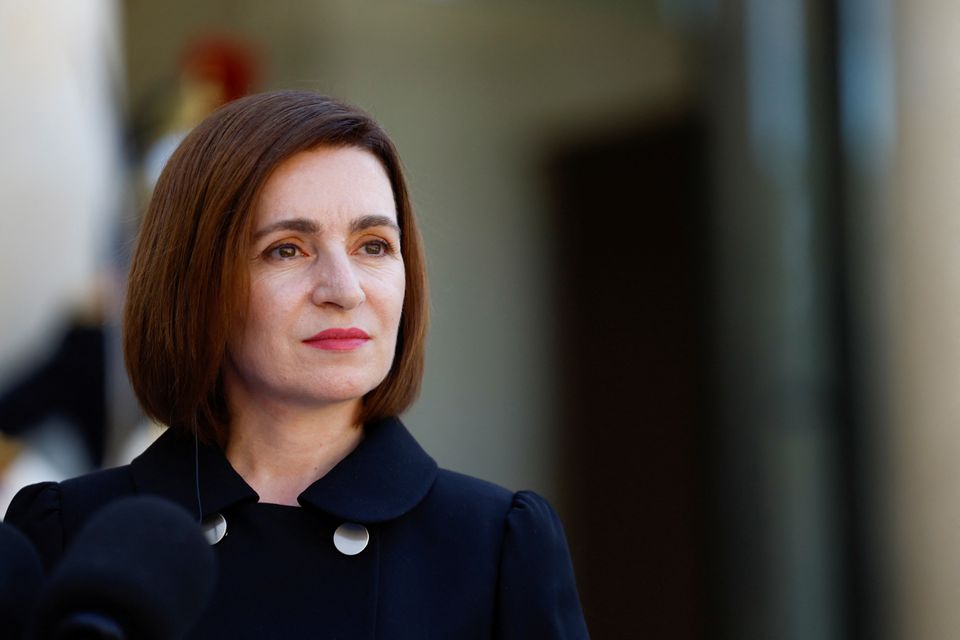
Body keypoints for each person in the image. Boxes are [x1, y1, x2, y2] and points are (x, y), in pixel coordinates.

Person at [4, 91, 589, 638]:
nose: (344, 289)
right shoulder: (64, 533)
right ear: (195, 285)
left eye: (373, 246)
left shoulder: (495, 544)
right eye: (287, 249)